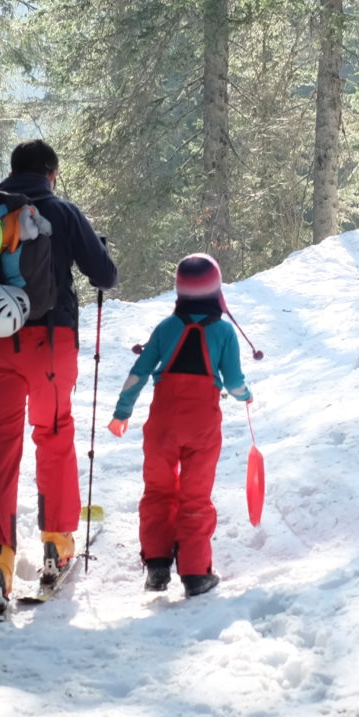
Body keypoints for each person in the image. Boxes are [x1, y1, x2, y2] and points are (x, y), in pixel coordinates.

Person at [0, 140, 115, 602]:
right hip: (52, 346)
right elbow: (105, 277)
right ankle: (57, 545)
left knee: (0, 444)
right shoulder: (62, 212)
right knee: (55, 435)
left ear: (12, 171)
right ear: (52, 174)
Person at [106, 253, 252, 597]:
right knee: (195, 496)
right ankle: (196, 573)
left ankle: (157, 568)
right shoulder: (224, 332)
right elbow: (233, 382)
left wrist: (122, 413)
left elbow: (139, 372)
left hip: (162, 427)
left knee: (157, 491)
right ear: (215, 289)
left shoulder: (166, 327)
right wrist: (245, 395)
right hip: (202, 428)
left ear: (179, 289)